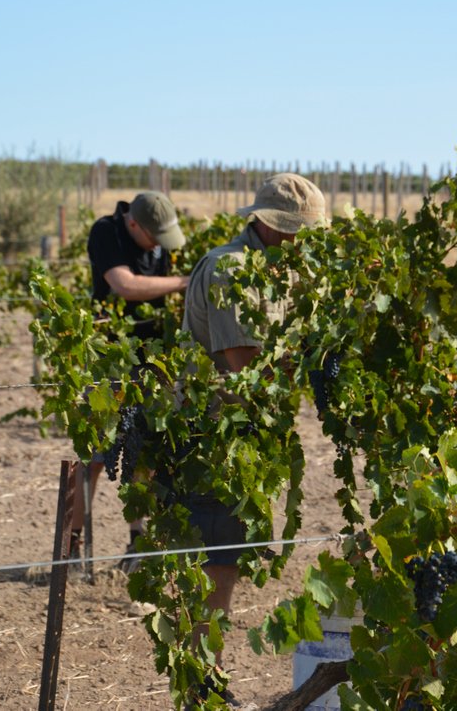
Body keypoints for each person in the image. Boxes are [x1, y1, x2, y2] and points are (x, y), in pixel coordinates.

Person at [181, 172, 327, 703]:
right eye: (297, 232)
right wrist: (310, 361)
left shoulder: (279, 269)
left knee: (223, 566)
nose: (304, 242)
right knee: (215, 569)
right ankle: (204, 690)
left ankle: (205, 685)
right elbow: (245, 369)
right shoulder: (230, 270)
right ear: (267, 224)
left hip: (244, 435)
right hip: (209, 435)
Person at [72, 191, 189, 569]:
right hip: (110, 360)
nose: (159, 246)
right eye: (153, 237)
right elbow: (124, 285)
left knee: (145, 453)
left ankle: (137, 542)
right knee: (93, 457)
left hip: (156, 360)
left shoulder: (160, 242)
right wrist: (182, 283)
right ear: (133, 224)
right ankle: (69, 548)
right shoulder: (106, 232)